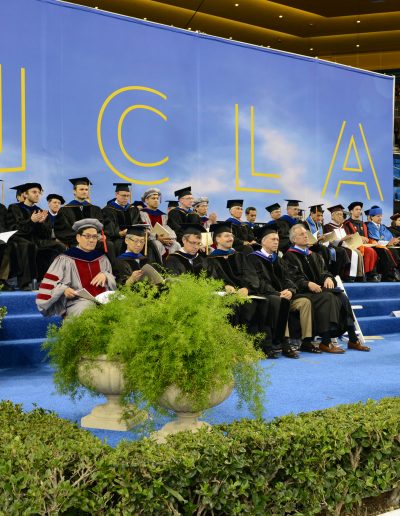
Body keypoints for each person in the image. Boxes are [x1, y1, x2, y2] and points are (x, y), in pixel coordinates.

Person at [283, 224, 370, 352]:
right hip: (302, 293)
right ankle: (325, 341)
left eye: (306, 233)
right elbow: (291, 278)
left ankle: (353, 339)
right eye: (301, 234)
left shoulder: (314, 255)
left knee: (341, 296)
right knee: (328, 297)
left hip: (318, 291)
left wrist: (328, 278)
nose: (306, 236)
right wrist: (307, 284)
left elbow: (325, 272)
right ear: (294, 239)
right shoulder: (289, 256)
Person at [248, 224, 318, 357]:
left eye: (277, 240)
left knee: (305, 302)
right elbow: (258, 282)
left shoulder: (279, 260)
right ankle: (284, 343)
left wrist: (291, 290)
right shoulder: (253, 258)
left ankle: (307, 341)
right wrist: (277, 293)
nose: (276, 242)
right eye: (273, 239)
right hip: (267, 297)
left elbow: (288, 279)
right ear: (263, 241)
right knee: (281, 302)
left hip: (285, 295)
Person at [206, 223, 273, 357]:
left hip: (244, 293)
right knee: (236, 306)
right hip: (226, 295)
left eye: (231, 236)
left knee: (262, 303)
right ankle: (237, 349)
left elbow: (251, 275)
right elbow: (210, 279)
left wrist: (247, 288)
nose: (231, 238)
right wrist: (224, 286)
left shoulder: (240, 256)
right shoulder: (210, 259)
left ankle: (261, 347)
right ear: (217, 239)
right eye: (227, 236)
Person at [36, 218, 116, 317]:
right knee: (87, 308)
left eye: (95, 237)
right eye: (87, 236)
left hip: (103, 300)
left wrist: (106, 275)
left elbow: (112, 283)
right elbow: (51, 284)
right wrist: (64, 290)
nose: (91, 240)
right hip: (77, 302)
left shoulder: (102, 258)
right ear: (78, 237)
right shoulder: (65, 259)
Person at [7, 182, 64, 289]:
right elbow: (14, 229)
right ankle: (26, 283)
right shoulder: (14, 208)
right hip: (20, 239)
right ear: (25, 194)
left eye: (39, 192)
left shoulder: (39, 211)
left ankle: (52, 280)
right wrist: (31, 221)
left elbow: (46, 235)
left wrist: (41, 223)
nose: (37, 194)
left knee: (58, 246)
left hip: (37, 239)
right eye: (34, 192)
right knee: (30, 246)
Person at [55, 177, 104, 247]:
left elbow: (101, 226)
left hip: (94, 241)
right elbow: (63, 230)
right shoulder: (64, 210)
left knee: (108, 245)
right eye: (81, 189)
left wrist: (97, 236)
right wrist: (82, 237)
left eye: (86, 189)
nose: (84, 192)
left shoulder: (96, 209)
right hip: (75, 241)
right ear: (74, 191)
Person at [304, 204, 350, 280]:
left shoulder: (320, 224)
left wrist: (327, 238)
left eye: (321, 216)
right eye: (318, 215)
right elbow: (306, 239)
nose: (320, 218)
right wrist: (318, 238)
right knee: (324, 250)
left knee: (341, 251)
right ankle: (326, 276)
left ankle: (336, 275)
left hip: (321, 244)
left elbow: (323, 237)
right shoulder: (305, 224)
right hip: (311, 246)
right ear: (311, 213)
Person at [324, 204, 364, 282]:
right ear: (332, 216)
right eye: (338, 214)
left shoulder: (344, 226)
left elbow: (348, 237)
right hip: (335, 247)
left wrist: (351, 238)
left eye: (341, 215)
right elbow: (328, 241)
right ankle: (347, 276)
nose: (340, 216)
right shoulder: (327, 227)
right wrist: (342, 239)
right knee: (351, 252)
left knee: (358, 252)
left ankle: (357, 276)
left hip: (347, 245)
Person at [140, 187, 180, 261]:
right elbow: (144, 229)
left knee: (175, 244)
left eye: (157, 198)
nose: (156, 200)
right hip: (149, 240)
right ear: (146, 200)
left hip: (163, 239)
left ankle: (172, 265)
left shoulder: (163, 215)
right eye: (153, 198)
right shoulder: (142, 213)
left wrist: (170, 238)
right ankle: (158, 266)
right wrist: (156, 237)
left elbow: (167, 227)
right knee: (157, 243)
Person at [343, 201, 379, 282]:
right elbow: (347, 237)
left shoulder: (363, 224)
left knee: (376, 250)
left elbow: (367, 237)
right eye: (357, 209)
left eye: (360, 209)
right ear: (351, 211)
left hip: (364, 245)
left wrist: (371, 241)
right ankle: (368, 274)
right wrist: (359, 238)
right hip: (353, 245)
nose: (359, 211)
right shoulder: (347, 224)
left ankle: (372, 274)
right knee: (370, 251)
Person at [102, 183, 141, 257]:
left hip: (135, 238)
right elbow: (108, 230)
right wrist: (119, 233)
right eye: (123, 195)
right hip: (117, 239)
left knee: (150, 244)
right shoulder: (108, 210)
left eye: (128, 196)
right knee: (121, 244)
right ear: (116, 194)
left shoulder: (133, 209)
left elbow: (139, 222)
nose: (126, 198)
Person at [365, 205, 400, 281]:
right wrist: (388, 242)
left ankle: (393, 273)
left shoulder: (383, 227)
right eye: (378, 216)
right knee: (385, 251)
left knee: (393, 250)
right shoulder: (369, 226)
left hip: (385, 245)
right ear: (372, 217)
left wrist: (394, 241)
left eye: (381, 216)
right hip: (375, 246)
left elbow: (389, 237)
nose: (380, 218)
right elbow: (375, 239)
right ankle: (388, 275)